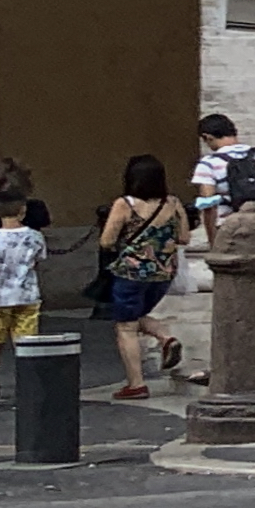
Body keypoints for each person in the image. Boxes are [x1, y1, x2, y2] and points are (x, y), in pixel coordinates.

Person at [95, 154, 189, 399]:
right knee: (135, 316)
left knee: (126, 326)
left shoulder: (125, 204)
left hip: (131, 272)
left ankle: (136, 383)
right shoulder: (173, 203)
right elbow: (184, 238)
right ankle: (165, 338)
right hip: (163, 272)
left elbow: (107, 241)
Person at [0, 183, 48, 399]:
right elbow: (36, 263)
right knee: (26, 343)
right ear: (23, 210)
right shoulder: (35, 237)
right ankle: (29, 389)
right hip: (27, 297)